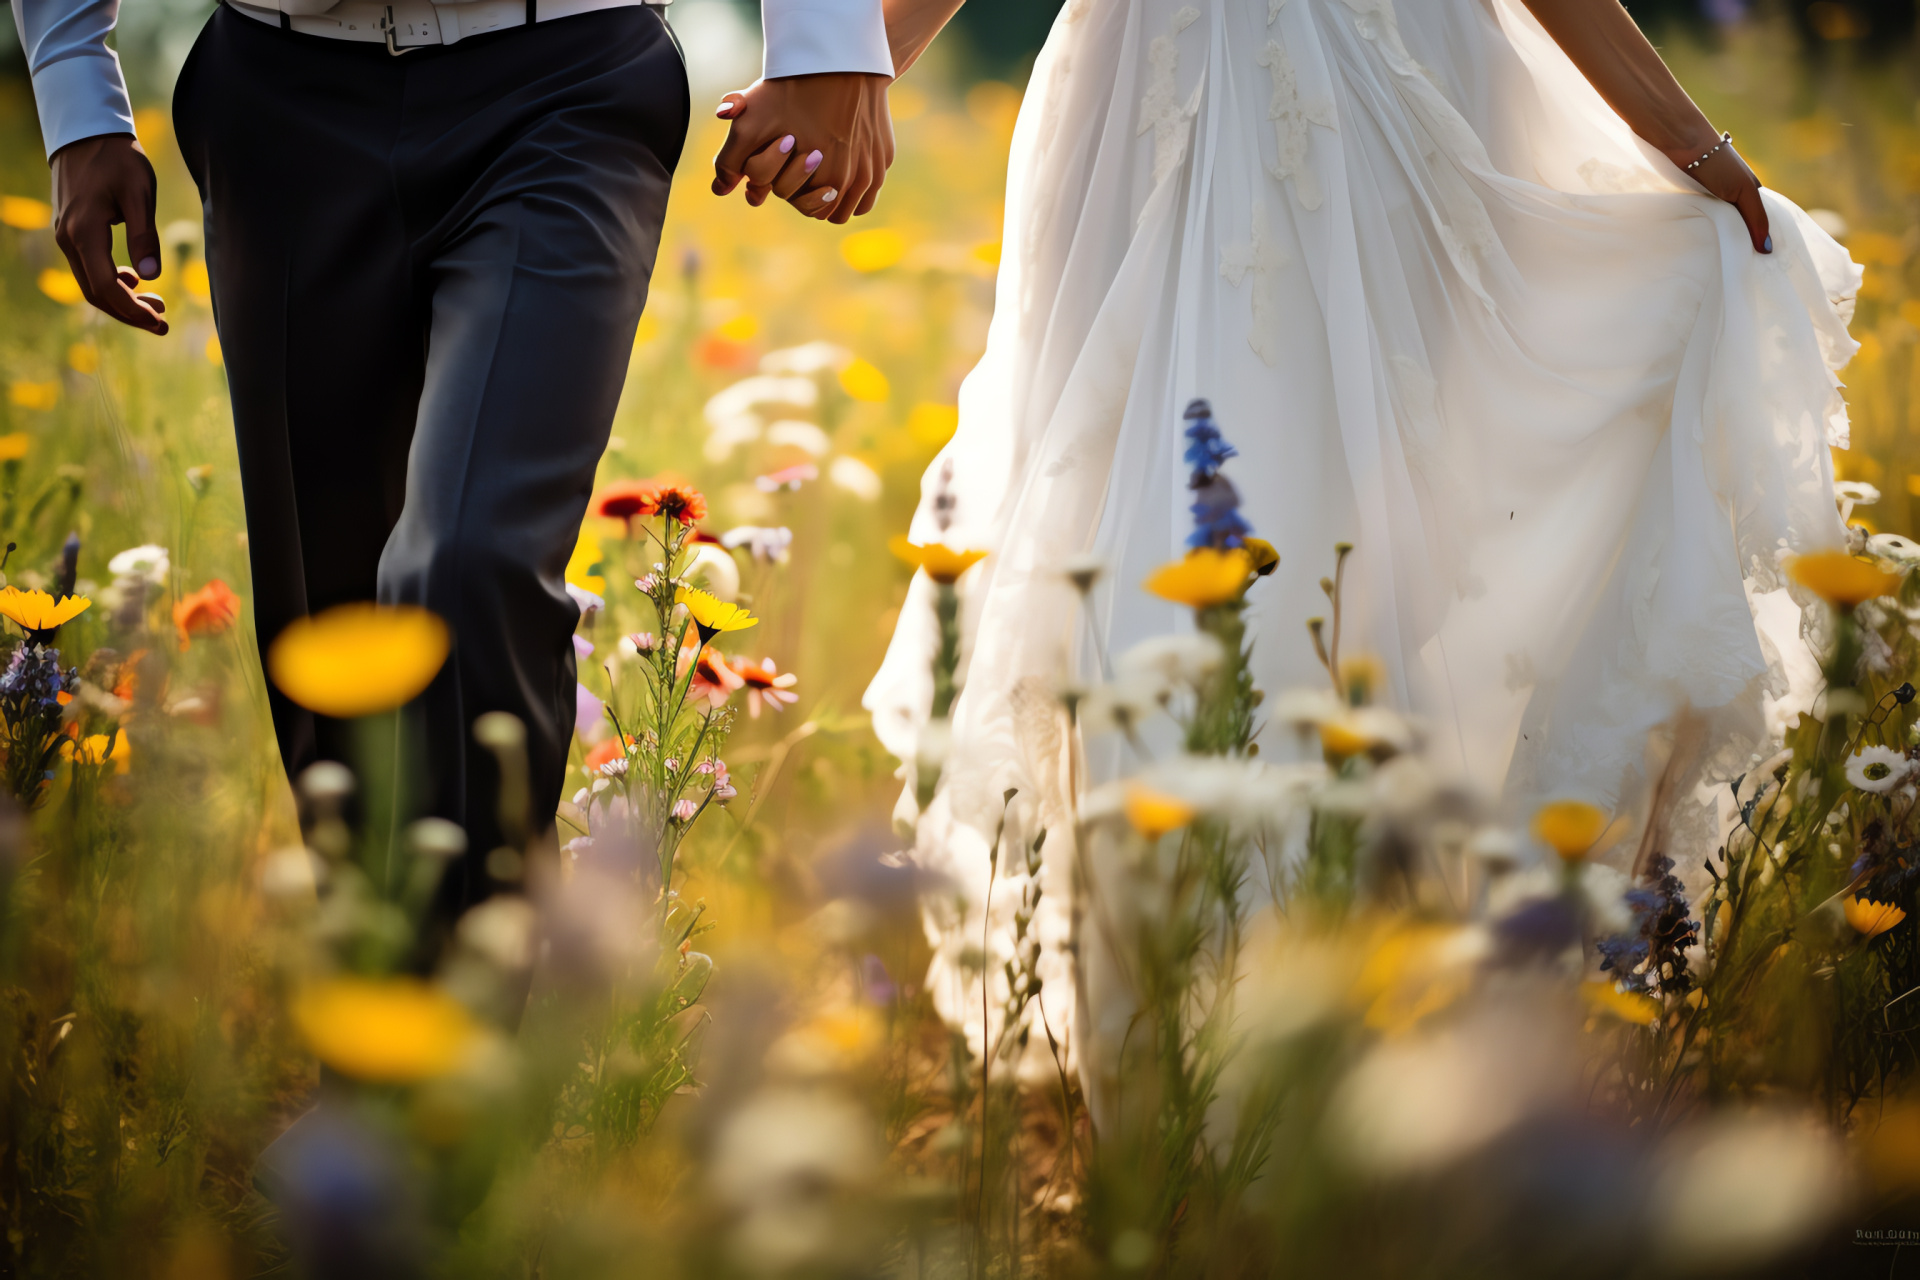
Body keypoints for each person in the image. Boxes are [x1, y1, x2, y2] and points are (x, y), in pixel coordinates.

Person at [856, 0, 1859, 1094]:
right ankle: (1182, 1095)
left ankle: (1380, 1066)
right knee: (1135, 595)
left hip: (1384, 103)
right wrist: (853, 68)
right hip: (1147, 98)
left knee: (1387, 589)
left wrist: (1691, 144)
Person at [16, 0, 896, 924]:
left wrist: (826, 39)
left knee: (471, 564)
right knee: (328, 621)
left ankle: (467, 1030)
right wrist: (77, 93)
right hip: (279, 100)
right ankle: (377, 1006)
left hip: (566, 83)